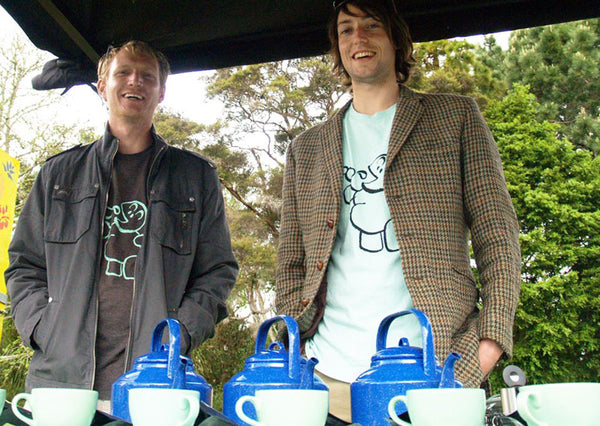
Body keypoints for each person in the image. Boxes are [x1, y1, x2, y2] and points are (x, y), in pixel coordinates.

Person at [275, 0, 521, 423]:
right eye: (347, 29)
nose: (359, 38)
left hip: (436, 369)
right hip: (324, 376)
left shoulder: (455, 117)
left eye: (372, 25)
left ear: (396, 38)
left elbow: (498, 238)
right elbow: (291, 264)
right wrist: (290, 348)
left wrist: (487, 347)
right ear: (337, 46)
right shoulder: (306, 148)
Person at [6, 40, 238, 412]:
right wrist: (42, 328)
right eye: (124, 73)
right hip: (62, 383)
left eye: (148, 76)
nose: (136, 82)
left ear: (161, 91)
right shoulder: (58, 174)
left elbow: (217, 271)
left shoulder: (196, 177)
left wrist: (181, 334)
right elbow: (24, 265)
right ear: (102, 85)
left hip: (156, 384)